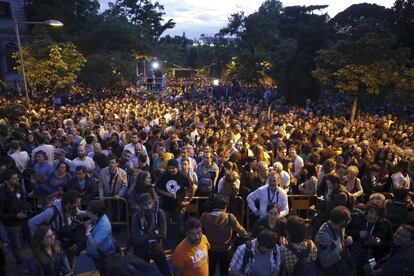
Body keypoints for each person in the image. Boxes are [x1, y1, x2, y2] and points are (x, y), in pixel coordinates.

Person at [200, 195, 248, 276]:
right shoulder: (229, 217)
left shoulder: (204, 216)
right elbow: (241, 231)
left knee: (210, 271)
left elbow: (199, 230)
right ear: (225, 206)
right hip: (225, 250)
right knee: (224, 272)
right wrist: (246, 235)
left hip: (210, 249)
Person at [346, 202, 393, 274]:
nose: (373, 216)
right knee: (351, 270)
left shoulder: (385, 224)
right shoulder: (356, 218)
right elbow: (345, 231)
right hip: (355, 253)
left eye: (377, 215)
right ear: (367, 211)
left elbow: (391, 243)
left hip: (373, 257)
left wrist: (380, 243)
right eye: (371, 212)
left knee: (371, 271)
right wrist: (358, 233)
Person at [131, 193, 170, 276]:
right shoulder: (136, 217)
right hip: (142, 248)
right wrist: (153, 234)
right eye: (145, 205)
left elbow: (163, 235)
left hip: (156, 247)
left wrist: (145, 236)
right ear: (140, 206)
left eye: (150, 203)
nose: (148, 207)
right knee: (140, 272)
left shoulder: (159, 213)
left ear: (153, 202)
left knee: (166, 272)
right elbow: (137, 240)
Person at [0, 170, 30, 269]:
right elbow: (1, 214)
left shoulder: (19, 188)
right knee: (16, 244)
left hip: (24, 220)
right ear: (6, 181)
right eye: (14, 178)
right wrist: (16, 216)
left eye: (17, 177)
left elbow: (23, 200)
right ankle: (21, 263)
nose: (17, 179)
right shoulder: (2, 193)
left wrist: (26, 210)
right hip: (12, 224)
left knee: (31, 239)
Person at [315, 206, 355, 276]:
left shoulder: (339, 227)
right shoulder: (323, 236)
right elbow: (325, 262)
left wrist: (346, 238)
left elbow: (340, 238)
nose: (350, 220)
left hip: (342, 266)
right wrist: (338, 248)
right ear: (342, 222)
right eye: (348, 220)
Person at [156, 159, 193, 234]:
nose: (171, 170)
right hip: (166, 204)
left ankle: (182, 240)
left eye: (173, 168)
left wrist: (189, 199)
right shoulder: (164, 175)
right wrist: (168, 194)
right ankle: (164, 240)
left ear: (177, 167)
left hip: (179, 205)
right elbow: (157, 189)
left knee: (181, 225)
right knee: (165, 225)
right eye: (169, 168)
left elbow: (192, 187)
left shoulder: (182, 175)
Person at [85, 200, 117, 275]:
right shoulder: (97, 218)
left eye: (89, 210)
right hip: (98, 255)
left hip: (103, 256)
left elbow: (95, 244)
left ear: (95, 213)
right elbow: (86, 214)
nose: (87, 211)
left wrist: (88, 233)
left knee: (105, 272)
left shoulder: (104, 225)